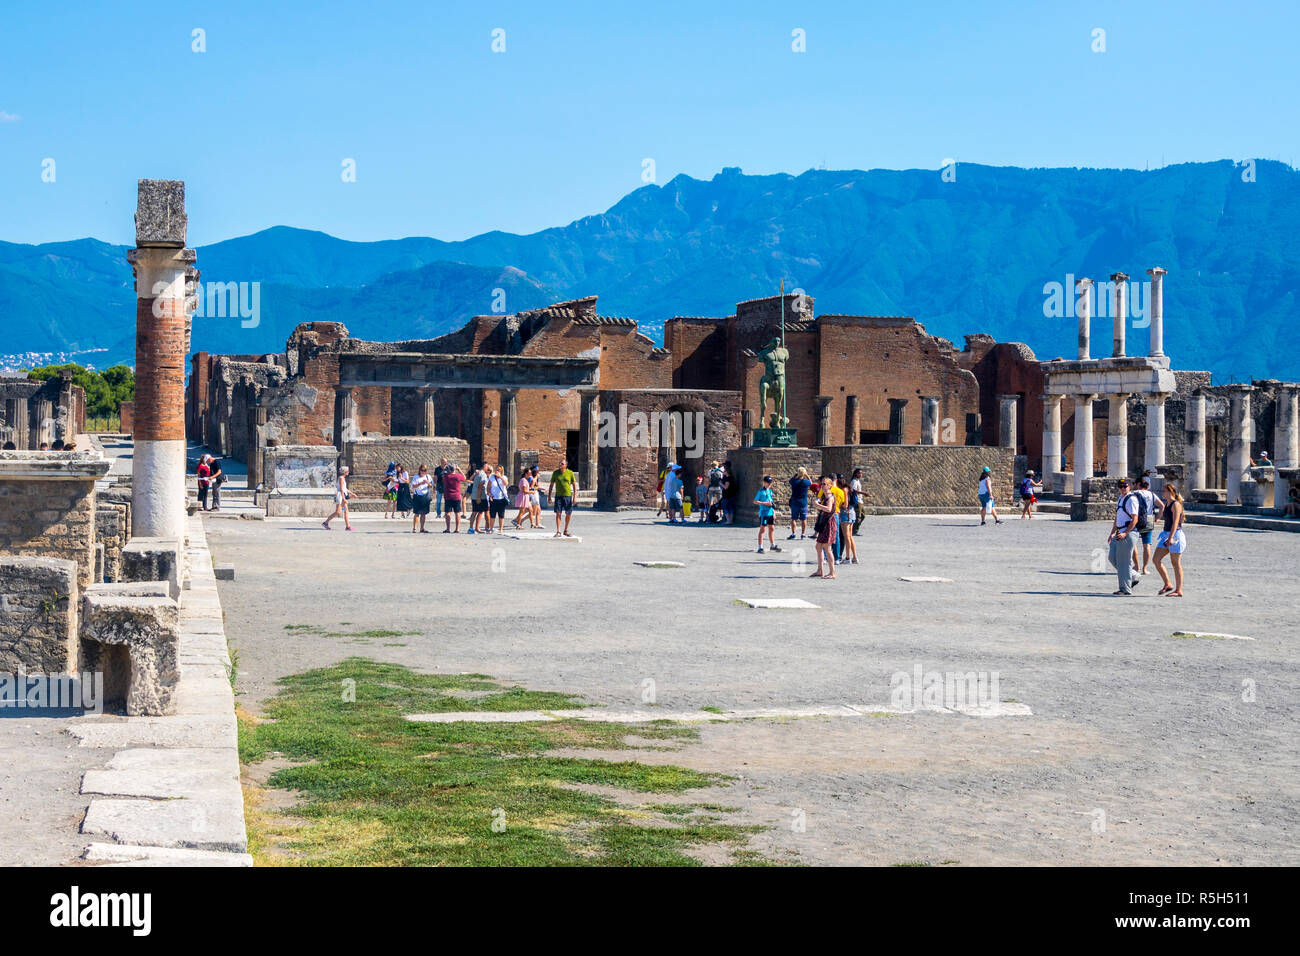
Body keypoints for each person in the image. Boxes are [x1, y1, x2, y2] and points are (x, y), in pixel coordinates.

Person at [1107, 477, 1141, 595]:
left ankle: (1125, 589)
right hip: (1119, 532)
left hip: (1128, 532)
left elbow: (1135, 518)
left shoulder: (1131, 499)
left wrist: (1125, 532)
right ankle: (1133, 575)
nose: (1123, 488)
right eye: (1121, 487)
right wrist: (1112, 532)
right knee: (1112, 557)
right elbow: (1118, 517)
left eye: (1125, 486)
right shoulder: (1120, 499)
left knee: (1124, 562)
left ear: (1129, 487)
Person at [1153, 483, 1187, 597]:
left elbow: (1176, 522)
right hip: (1166, 534)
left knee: (1176, 563)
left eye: (1164, 491)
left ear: (1170, 492)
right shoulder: (1167, 504)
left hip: (1175, 535)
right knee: (1156, 559)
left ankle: (1179, 590)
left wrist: (1171, 537)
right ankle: (1167, 583)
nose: (1162, 492)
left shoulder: (1175, 504)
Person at [1131, 476, 1164, 575]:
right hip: (1148, 519)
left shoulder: (1133, 494)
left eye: (1134, 484)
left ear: (1138, 484)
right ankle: (1145, 568)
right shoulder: (1152, 494)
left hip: (1136, 519)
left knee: (1133, 544)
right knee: (1147, 545)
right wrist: (1157, 518)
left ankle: (1136, 566)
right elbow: (1162, 506)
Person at [811, 476, 838, 579]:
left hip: (829, 523)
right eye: (821, 484)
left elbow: (829, 509)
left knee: (828, 548)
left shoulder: (830, 497)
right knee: (818, 546)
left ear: (830, 486)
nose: (822, 486)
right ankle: (820, 570)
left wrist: (817, 505)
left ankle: (832, 572)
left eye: (824, 484)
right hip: (824, 522)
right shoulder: (824, 496)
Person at [549, 458, 577, 537]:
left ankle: (566, 530)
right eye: (560, 463)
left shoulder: (570, 473)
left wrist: (575, 497)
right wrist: (549, 496)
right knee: (558, 513)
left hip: (567, 496)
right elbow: (551, 485)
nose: (560, 465)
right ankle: (558, 531)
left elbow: (574, 485)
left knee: (568, 513)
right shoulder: (555, 473)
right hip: (558, 496)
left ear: (566, 465)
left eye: (562, 464)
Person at [754, 475, 782, 552]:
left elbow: (771, 503)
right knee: (762, 529)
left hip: (770, 513)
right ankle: (760, 547)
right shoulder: (760, 491)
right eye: (768, 482)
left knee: (772, 528)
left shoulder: (770, 491)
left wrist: (773, 512)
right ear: (764, 482)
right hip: (764, 513)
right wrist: (765, 503)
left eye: (770, 482)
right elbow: (755, 501)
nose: (769, 484)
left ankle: (772, 545)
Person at [323, 465, 353, 531]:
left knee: (345, 511)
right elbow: (341, 489)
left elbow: (344, 489)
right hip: (341, 496)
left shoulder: (342, 478)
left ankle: (348, 526)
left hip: (342, 495)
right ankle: (326, 522)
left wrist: (351, 493)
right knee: (338, 512)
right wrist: (344, 499)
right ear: (345, 472)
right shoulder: (341, 478)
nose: (348, 472)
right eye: (347, 471)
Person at [838, 476, 858, 565]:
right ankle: (854, 557)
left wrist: (839, 505)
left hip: (846, 513)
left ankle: (847, 558)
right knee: (850, 536)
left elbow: (845, 504)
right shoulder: (849, 488)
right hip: (852, 512)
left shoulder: (844, 490)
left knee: (846, 537)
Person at [787, 466, 812, 539]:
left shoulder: (794, 481)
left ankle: (793, 534)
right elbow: (811, 482)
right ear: (804, 474)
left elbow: (790, 480)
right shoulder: (806, 482)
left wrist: (796, 475)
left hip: (794, 502)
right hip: (803, 502)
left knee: (793, 518)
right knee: (804, 519)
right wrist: (807, 475)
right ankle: (803, 534)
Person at [409, 464, 433, 533]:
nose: (423, 472)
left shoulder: (428, 477)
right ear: (419, 470)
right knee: (417, 513)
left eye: (424, 470)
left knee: (423, 513)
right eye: (422, 470)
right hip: (417, 496)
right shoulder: (416, 477)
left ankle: (422, 528)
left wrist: (428, 483)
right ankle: (414, 528)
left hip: (425, 496)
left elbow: (431, 486)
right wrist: (420, 483)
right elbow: (413, 486)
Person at [441, 462, 465, 532]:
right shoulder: (457, 476)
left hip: (448, 496)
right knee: (457, 512)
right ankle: (457, 529)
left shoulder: (446, 477)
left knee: (448, 512)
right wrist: (459, 469)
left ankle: (448, 528)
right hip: (456, 496)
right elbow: (464, 477)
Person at [488, 465, 510, 533]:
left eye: (499, 470)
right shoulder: (492, 477)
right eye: (496, 469)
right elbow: (488, 488)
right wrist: (490, 495)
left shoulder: (504, 477)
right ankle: (491, 529)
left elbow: (506, 484)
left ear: (501, 471)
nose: (497, 471)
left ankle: (501, 529)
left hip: (501, 498)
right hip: (493, 498)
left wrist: (500, 477)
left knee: (501, 515)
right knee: (492, 515)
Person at [468, 464, 489, 534]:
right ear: (484, 467)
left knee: (478, 512)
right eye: (487, 466)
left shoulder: (478, 473)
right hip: (480, 497)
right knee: (481, 512)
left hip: (474, 495)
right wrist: (479, 497)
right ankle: (486, 528)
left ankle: (474, 528)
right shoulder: (483, 474)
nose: (488, 468)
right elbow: (480, 486)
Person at [850, 468, 868, 535]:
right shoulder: (854, 481)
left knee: (863, 515)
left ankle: (854, 529)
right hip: (857, 500)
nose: (860, 475)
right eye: (859, 473)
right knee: (858, 516)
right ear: (856, 474)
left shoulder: (857, 481)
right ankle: (854, 531)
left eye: (861, 473)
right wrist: (864, 493)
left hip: (860, 500)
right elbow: (853, 490)